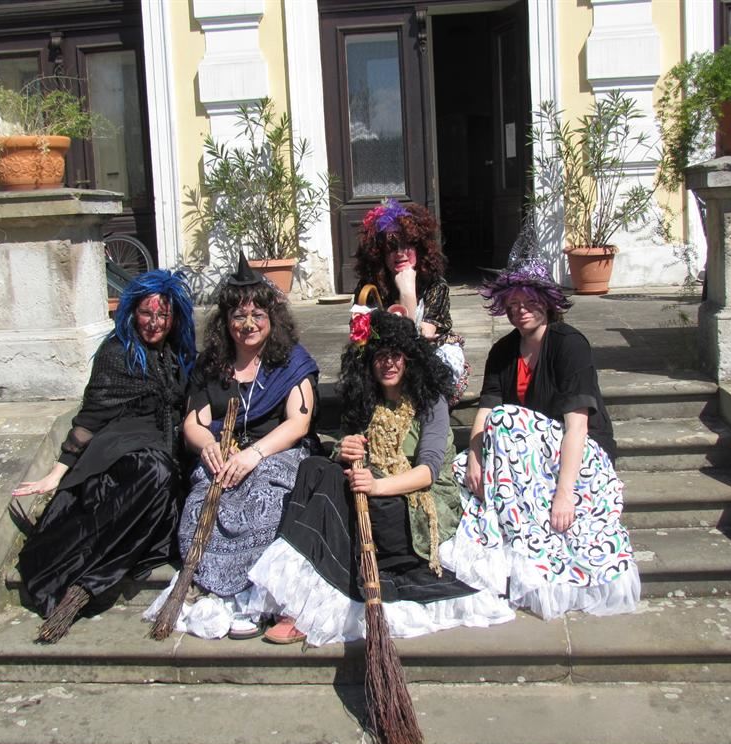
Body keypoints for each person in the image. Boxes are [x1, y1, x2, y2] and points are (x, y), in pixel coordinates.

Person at [248, 310, 513, 645]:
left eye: (396, 355)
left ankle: (308, 605)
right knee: (313, 468)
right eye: (380, 356)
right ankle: (300, 592)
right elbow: (345, 454)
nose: (388, 363)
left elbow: (427, 473)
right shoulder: (365, 399)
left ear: (409, 359)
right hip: (368, 489)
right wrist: (344, 448)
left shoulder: (430, 402)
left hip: (414, 501)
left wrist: (377, 486)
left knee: (346, 502)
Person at [443, 260, 640, 620]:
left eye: (529, 302)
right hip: (522, 451)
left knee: (506, 419)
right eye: (513, 304)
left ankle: (530, 544)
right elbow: (485, 409)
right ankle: (500, 541)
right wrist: (474, 458)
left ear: (547, 302)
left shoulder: (569, 344)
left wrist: (564, 494)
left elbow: (577, 426)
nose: (520, 311)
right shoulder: (502, 351)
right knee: (458, 467)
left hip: (578, 449)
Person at [13, 269, 197, 643]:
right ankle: (88, 579)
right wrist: (57, 472)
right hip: (122, 450)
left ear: (175, 317)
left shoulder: (179, 354)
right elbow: (90, 418)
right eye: (146, 313)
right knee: (154, 471)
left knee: (165, 478)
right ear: (132, 313)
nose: (154, 323)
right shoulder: (117, 353)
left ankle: (95, 578)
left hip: (166, 450)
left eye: (163, 315)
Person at [144, 256, 319, 639]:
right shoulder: (212, 365)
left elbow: (298, 423)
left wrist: (254, 455)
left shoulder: (291, 361)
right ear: (226, 321)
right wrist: (208, 444)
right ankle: (212, 588)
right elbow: (194, 421)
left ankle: (253, 596)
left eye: (257, 315)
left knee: (263, 503)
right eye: (239, 316)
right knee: (199, 504)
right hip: (224, 455)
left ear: (272, 319)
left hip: (276, 455)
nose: (248, 324)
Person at [353, 198, 468, 400]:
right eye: (391, 247)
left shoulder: (435, 285)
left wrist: (407, 292)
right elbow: (361, 337)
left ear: (420, 249)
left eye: (408, 245)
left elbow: (416, 339)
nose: (400, 254)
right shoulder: (368, 288)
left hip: (427, 354)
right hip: (384, 357)